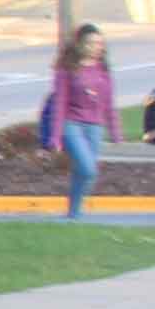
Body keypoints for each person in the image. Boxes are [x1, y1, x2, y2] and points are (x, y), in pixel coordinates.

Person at [39, 22, 116, 218]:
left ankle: (74, 212)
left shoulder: (103, 70)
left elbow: (108, 102)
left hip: (95, 126)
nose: (96, 47)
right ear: (80, 44)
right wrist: (55, 138)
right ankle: (74, 212)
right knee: (88, 169)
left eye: (100, 43)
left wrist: (115, 131)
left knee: (85, 173)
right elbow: (60, 103)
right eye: (91, 43)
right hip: (72, 124)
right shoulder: (67, 69)